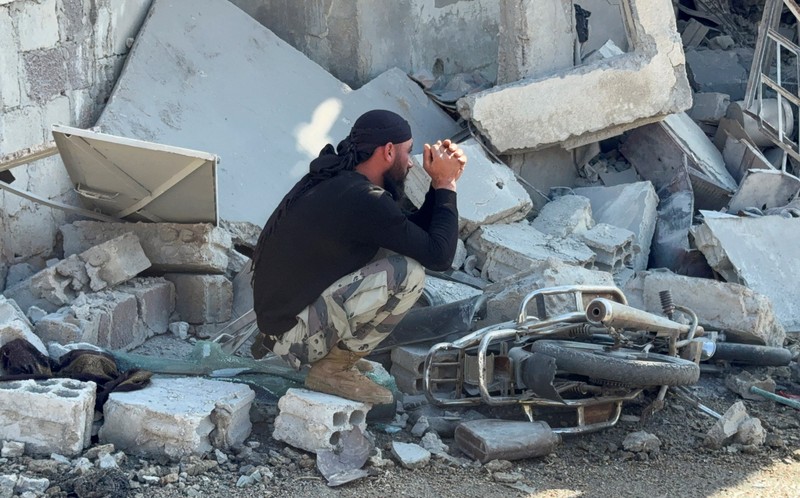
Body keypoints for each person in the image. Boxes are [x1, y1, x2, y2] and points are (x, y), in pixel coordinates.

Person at [250, 109, 466, 404]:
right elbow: (439, 256)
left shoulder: (342, 182)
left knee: (395, 251)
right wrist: (445, 185)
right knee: (407, 273)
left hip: (279, 326)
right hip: (292, 337)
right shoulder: (364, 200)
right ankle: (333, 368)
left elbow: (411, 233)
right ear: (389, 151)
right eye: (408, 152)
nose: (412, 163)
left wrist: (438, 184)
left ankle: (333, 353)